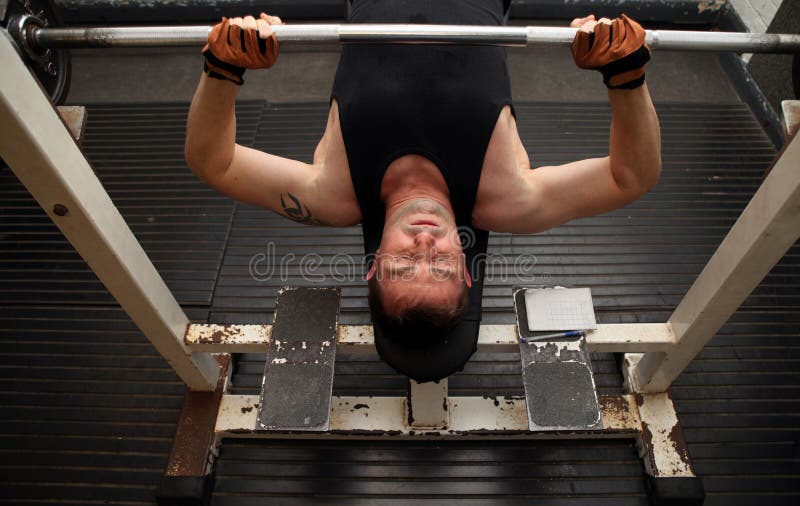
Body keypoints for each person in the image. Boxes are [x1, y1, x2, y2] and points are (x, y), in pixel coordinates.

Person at [185, 0, 661, 382]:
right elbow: (629, 177)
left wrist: (224, 69)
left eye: (404, 264)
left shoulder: (334, 193)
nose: (425, 244)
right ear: (466, 266)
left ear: (374, 263)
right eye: (441, 264)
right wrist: (624, 75)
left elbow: (216, 163)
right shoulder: (507, 199)